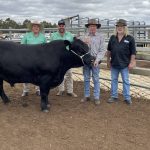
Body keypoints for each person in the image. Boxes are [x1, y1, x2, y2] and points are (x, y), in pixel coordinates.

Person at [107, 19, 136, 105]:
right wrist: (108, 61)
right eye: (118, 26)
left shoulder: (130, 38)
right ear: (116, 28)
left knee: (126, 81)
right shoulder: (112, 38)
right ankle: (114, 96)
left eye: (121, 26)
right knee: (114, 80)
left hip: (125, 64)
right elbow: (109, 50)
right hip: (114, 63)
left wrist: (131, 62)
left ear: (125, 28)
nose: (119, 28)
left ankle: (127, 97)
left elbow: (133, 52)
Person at [81, 19, 106, 105]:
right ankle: (87, 95)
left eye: (94, 26)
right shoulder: (84, 37)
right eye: (90, 26)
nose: (92, 28)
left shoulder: (101, 37)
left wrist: (97, 60)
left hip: (95, 60)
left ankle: (96, 97)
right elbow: (80, 48)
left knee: (96, 78)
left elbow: (102, 50)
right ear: (88, 27)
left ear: (96, 27)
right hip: (86, 61)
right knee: (86, 78)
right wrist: (83, 42)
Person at [50, 19, 77, 97]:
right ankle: (61, 90)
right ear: (58, 26)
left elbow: (73, 46)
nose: (61, 27)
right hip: (58, 58)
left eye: (63, 25)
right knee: (60, 74)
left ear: (65, 26)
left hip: (67, 58)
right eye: (60, 26)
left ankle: (70, 91)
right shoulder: (53, 36)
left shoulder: (70, 35)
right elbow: (50, 47)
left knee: (69, 74)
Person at [21, 20, 47, 97]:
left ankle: (38, 90)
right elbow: (22, 46)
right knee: (26, 74)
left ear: (39, 28)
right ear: (32, 28)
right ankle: (25, 90)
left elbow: (45, 48)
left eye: (37, 26)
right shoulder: (26, 36)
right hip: (28, 58)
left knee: (39, 74)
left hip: (39, 59)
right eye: (34, 26)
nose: (36, 28)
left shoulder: (43, 37)